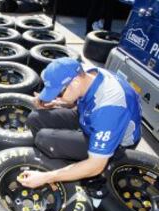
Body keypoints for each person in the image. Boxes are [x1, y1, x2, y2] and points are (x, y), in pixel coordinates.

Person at [18, 57, 142, 188]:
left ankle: (71, 170)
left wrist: (47, 177)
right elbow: (83, 98)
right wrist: (59, 102)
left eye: (58, 93)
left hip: (117, 144)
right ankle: (67, 161)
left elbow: (96, 166)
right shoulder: (88, 73)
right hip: (89, 117)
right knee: (35, 118)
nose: (55, 96)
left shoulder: (109, 108)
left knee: (46, 139)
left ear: (75, 83)